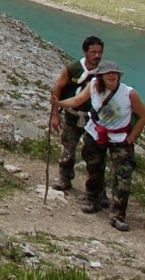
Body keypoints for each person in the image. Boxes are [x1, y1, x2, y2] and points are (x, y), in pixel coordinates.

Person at [58, 59, 145, 232]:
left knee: (123, 177)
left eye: (115, 73)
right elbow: (77, 101)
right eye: (108, 73)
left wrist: (132, 137)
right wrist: (59, 103)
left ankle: (118, 215)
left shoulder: (129, 93)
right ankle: (93, 201)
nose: (112, 75)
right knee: (94, 169)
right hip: (96, 134)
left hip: (120, 139)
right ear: (101, 76)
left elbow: (143, 116)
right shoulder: (93, 86)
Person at [49, 35, 106, 191]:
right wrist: (55, 114)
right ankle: (65, 179)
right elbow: (57, 90)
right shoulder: (73, 69)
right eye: (93, 52)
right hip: (72, 115)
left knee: (94, 155)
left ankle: (97, 190)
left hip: (94, 120)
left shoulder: (105, 72)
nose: (97, 56)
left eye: (99, 52)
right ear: (84, 52)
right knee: (68, 148)